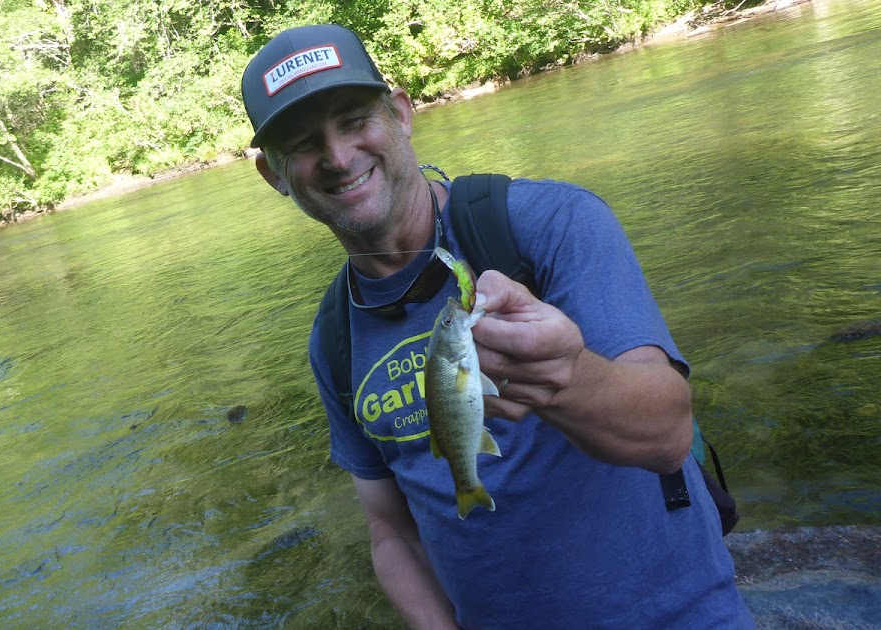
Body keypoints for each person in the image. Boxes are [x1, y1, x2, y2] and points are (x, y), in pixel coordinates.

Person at [240, 24, 752, 629]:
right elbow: (389, 530)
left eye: (354, 119)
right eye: (303, 143)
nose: (338, 156)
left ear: (401, 114)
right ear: (275, 176)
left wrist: (567, 379)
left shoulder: (549, 224)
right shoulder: (334, 340)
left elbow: (667, 433)